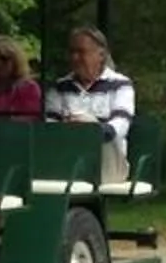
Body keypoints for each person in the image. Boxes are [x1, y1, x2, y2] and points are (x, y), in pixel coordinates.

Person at [47, 25, 136, 185]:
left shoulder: (121, 85)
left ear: (100, 55)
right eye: (72, 52)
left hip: (108, 164)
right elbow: (49, 128)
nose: (75, 58)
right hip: (67, 159)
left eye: (81, 52)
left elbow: (119, 128)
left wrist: (90, 129)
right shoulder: (59, 87)